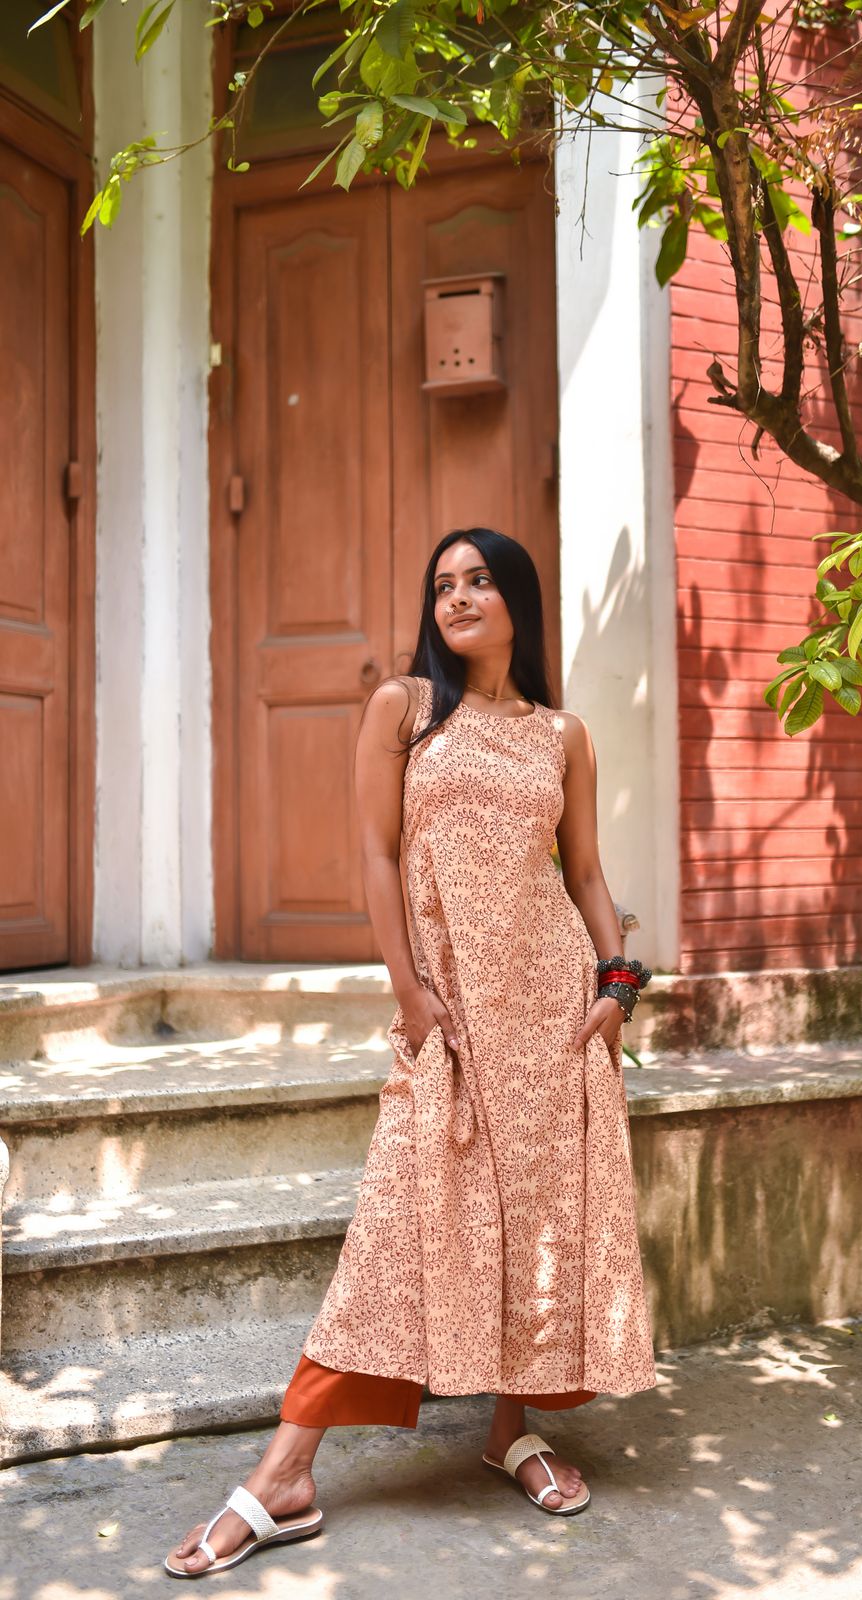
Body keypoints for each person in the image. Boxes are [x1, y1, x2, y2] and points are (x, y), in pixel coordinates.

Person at [164, 528, 657, 1578]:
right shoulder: (405, 708)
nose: (457, 597)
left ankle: (509, 1430)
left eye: (478, 581)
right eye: (442, 585)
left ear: (517, 599)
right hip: (449, 1015)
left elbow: (584, 873)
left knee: (538, 1222)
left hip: (552, 1013)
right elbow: (377, 855)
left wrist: (616, 986)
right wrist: (410, 994)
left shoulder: (562, 734)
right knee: (393, 1228)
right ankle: (285, 1472)